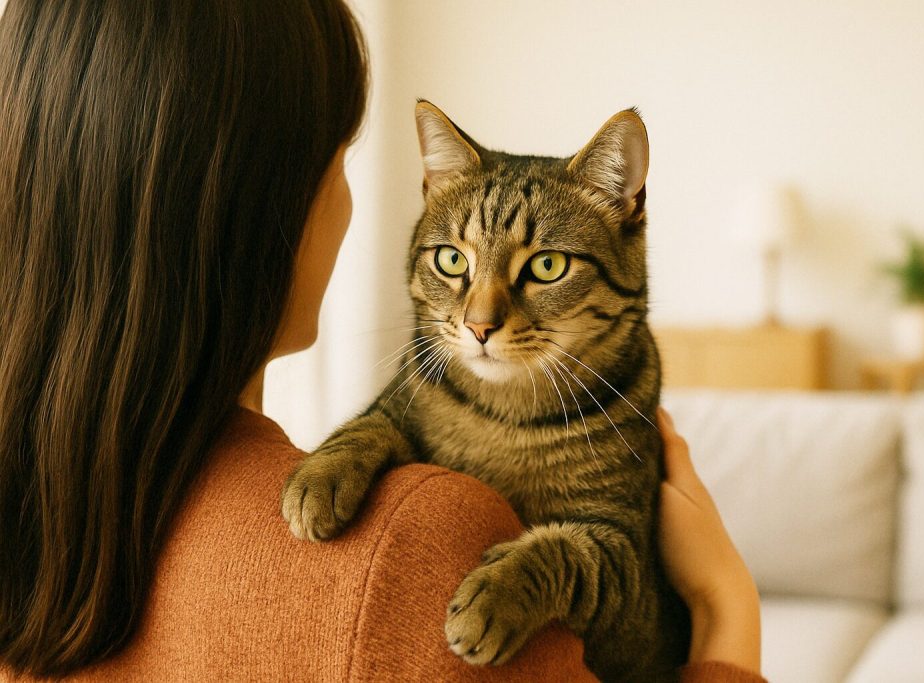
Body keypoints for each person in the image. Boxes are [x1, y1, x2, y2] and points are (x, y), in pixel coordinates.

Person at [0, 1, 764, 680]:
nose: (481, 314)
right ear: (265, 208)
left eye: (546, 266)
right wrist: (726, 602)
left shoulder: (36, 516)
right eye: (339, 161)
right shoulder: (418, 548)